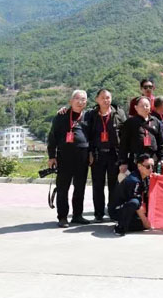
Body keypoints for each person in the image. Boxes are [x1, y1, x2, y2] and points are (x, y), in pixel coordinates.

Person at [47, 90, 91, 227]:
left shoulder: (89, 116)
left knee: (80, 187)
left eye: (83, 99)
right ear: (70, 101)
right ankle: (62, 217)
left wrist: (91, 154)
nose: (80, 102)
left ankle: (77, 215)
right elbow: (52, 137)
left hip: (82, 156)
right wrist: (52, 156)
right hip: (64, 156)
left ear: (86, 102)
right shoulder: (61, 116)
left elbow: (93, 137)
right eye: (77, 98)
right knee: (62, 187)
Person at [85, 88, 126, 222]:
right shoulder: (91, 115)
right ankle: (98, 213)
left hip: (114, 154)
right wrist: (90, 152)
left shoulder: (118, 113)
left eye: (108, 97)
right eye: (102, 98)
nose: (105, 100)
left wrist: (123, 156)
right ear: (97, 99)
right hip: (97, 154)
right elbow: (87, 135)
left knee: (114, 185)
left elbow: (124, 134)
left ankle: (113, 211)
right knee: (98, 185)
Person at [118, 96, 163, 175]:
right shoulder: (130, 122)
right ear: (136, 108)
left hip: (152, 159)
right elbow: (124, 143)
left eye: (147, 105)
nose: (145, 108)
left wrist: (161, 158)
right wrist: (123, 162)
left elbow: (161, 141)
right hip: (136, 159)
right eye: (142, 106)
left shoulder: (156, 121)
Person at [110, 153, 153, 236]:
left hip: (129, 208)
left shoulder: (145, 177)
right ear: (139, 167)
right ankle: (120, 227)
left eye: (152, 166)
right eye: (148, 166)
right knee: (135, 202)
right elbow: (137, 206)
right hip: (117, 209)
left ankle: (127, 223)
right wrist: (145, 222)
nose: (151, 169)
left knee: (143, 224)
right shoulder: (134, 180)